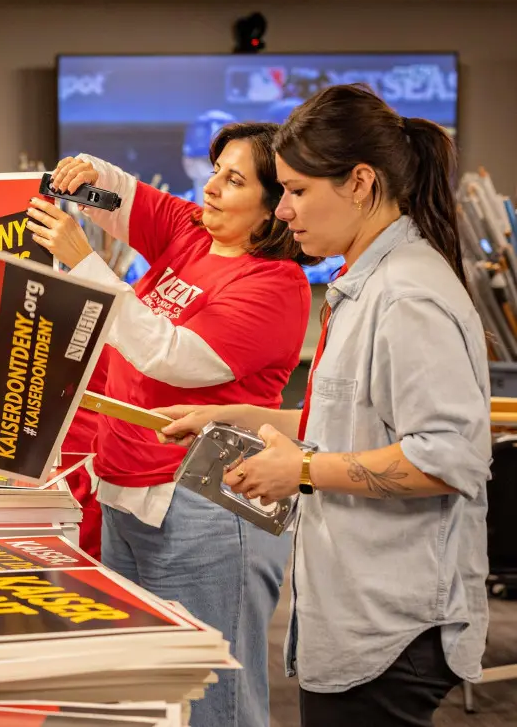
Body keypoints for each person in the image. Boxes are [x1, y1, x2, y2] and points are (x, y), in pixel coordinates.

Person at [159, 83, 490, 727]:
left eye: (299, 191)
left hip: (392, 626)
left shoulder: (409, 297)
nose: (283, 211)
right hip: (353, 612)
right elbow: (354, 422)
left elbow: (447, 459)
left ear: (361, 182)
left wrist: (300, 471)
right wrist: (235, 417)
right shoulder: (363, 284)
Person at [25, 122, 315, 727]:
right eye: (215, 171)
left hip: (205, 511)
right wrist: (90, 172)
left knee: (212, 704)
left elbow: (173, 356)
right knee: (148, 693)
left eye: (233, 180)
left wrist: (85, 266)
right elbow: (127, 195)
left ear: (272, 210)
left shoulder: (277, 286)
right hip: (130, 494)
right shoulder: (193, 233)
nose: (210, 189)